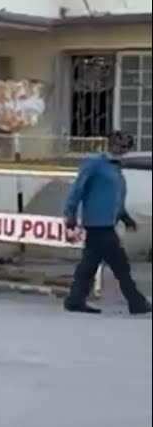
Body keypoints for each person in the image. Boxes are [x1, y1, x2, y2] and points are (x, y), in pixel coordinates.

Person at [62, 131, 150, 315]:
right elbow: (78, 188)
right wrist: (70, 213)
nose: (121, 150)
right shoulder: (95, 163)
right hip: (97, 222)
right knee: (120, 264)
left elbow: (115, 198)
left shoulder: (115, 168)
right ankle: (136, 302)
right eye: (119, 146)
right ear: (110, 144)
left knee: (90, 263)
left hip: (107, 222)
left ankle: (75, 299)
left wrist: (124, 217)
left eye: (125, 147)